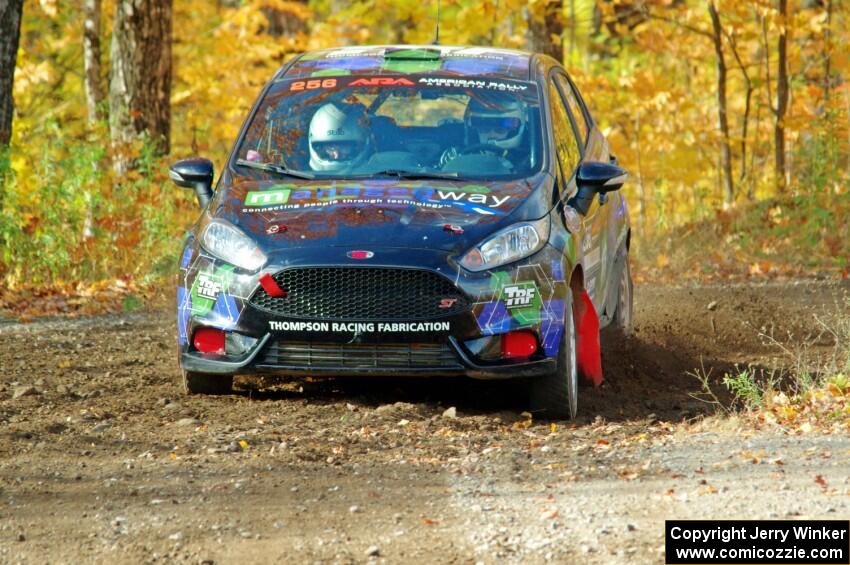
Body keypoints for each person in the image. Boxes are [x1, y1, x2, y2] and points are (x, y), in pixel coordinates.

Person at [308, 102, 373, 173]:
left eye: (343, 147)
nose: (336, 155)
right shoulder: (297, 174)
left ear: (358, 146)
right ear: (318, 147)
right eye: (330, 148)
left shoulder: (379, 170)